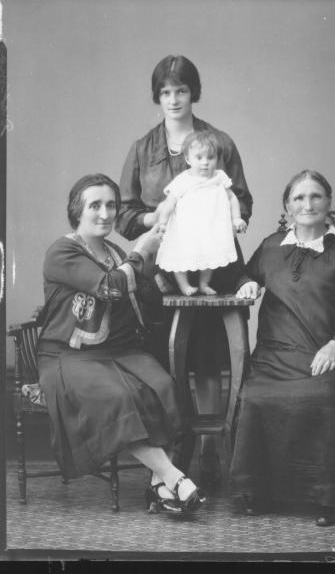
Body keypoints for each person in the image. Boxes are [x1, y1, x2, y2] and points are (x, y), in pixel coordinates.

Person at [115, 55, 253, 487]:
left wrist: (220, 220)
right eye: (165, 92)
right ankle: (175, 456)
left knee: (209, 359)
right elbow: (124, 212)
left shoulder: (220, 143)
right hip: (163, 272)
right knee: (165, 361)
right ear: (157, 97)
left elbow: (242, 200)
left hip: (213, 265)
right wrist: (154, 220)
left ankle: (211, 453)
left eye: (182, 90)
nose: (174, 99)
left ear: (195, 93)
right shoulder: (142, 148)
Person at [230, 170, 335, 526]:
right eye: (299, 198)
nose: (308, 204)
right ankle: (259, 491)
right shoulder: (272, 246)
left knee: (324, 397)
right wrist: (245, 284)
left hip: (332, 352)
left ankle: (329, 497)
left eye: (316, 196)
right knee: (257, 397)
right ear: (287, 206)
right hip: (276, 356)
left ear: (328, 203)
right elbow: (245, 274)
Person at [37, 173, 206, 514]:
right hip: (68, 357)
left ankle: (160, 486)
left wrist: (164, 263)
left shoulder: (115, 251)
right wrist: (141, 252)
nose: (105, 213)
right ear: (77, 211)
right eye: (94, 205)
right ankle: (175, 478)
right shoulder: (62, 251)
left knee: (163, 386)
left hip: (117, 351)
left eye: (111, 205)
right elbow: (109, 287)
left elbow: (139, 293)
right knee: (118, 397)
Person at [156, 130, 247, 296]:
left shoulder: (219, 177)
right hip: (185, 229)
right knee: (179, 255)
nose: (205, 163)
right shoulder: (183, 180)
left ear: (217, 159)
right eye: (199, 158)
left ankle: (204, 283)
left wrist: (237, 218)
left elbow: (232, 199)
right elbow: (169, 204)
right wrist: (162, 223)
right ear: (188, 159)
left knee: (209, 255)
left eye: (210, 158)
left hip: (209, 227)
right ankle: (184, 285)